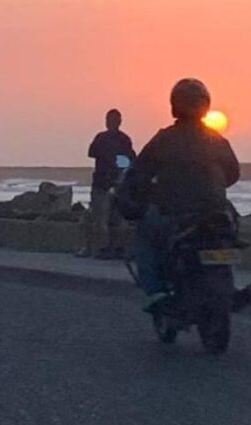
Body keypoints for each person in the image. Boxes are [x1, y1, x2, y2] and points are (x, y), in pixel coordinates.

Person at [119, 79, 241, 309]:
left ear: (175, 105)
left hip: (174, 212)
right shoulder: (217, 140)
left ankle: (156, 292)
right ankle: (229, 286)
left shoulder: (164, 139)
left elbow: (139, 172)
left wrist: (136, 194)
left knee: (144, 237)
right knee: (228, 234)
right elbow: (233, 173)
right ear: (205, 105)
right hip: (215, 211)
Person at [77, 109, 135, 259]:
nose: (111, 123)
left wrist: (116, 163)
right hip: (102, 183)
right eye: (109, 120)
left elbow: (130, 160)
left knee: (113, 219)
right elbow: (92, 152)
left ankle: (113, 248)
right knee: (99, 217)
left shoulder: (123, 139)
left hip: (115, 184)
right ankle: (101, 248)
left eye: (113, 120)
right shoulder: (102, 138)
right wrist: (115, 160)